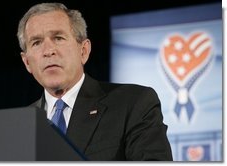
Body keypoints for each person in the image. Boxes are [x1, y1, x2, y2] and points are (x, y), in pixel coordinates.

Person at [17, 2, 173, 161]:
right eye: (36, 42)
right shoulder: (18, 127)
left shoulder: (133, 103)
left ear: (83, 51)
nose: (48, 51)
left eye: (58, 38)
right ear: (27, 62)